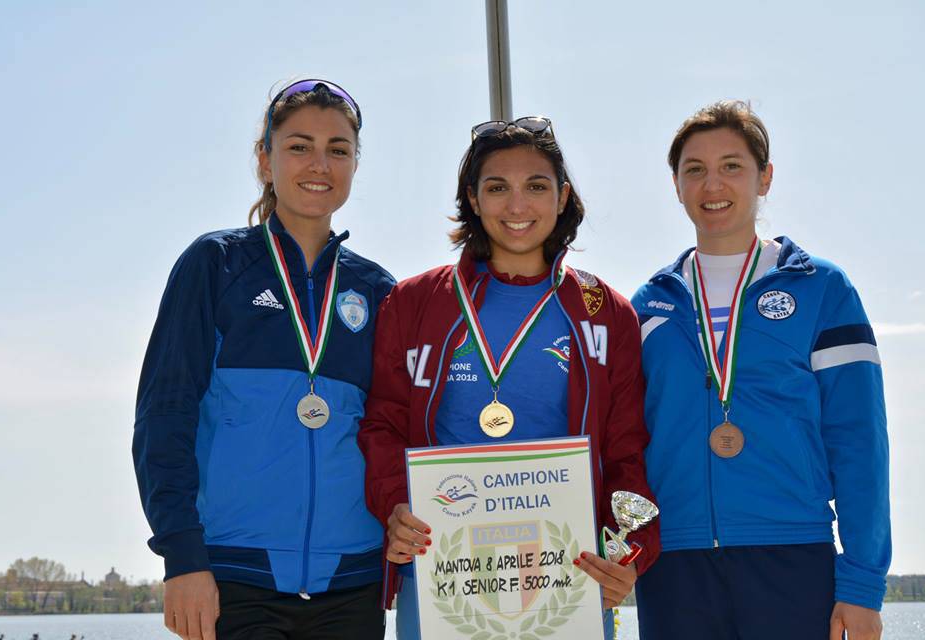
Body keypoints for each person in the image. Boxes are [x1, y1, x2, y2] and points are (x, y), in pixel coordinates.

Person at [358, 117, 660, 639]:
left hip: (569, 581)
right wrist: (395, 506)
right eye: (497, 188)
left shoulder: (605, 311)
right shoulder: (414, 302)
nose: (517, 207)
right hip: (445, 577)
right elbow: (383, 424)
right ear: (472, 199)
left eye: (536, 187)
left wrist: (628, 554)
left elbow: (626, 452)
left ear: (563, 197)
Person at [133, 79, 394, 640]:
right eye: (299, 145)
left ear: (355, 164)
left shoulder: (377, 291)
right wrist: (182, 556)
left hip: (354, 581)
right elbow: (164, 415)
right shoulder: (216, 265)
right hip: (234, 577)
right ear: (264, 158)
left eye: (338, 149)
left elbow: (393, 430)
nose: (318, 164)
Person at [630, 100, 890, 640]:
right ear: (675, 185)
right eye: (694, 170)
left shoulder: (822, 290)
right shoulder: (648, 307)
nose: (712, 184)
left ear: (764, 177)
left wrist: (862, 583)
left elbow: (859, 441)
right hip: (674, 562)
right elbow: (626, 442)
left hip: (792, 555)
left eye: (732, 166)